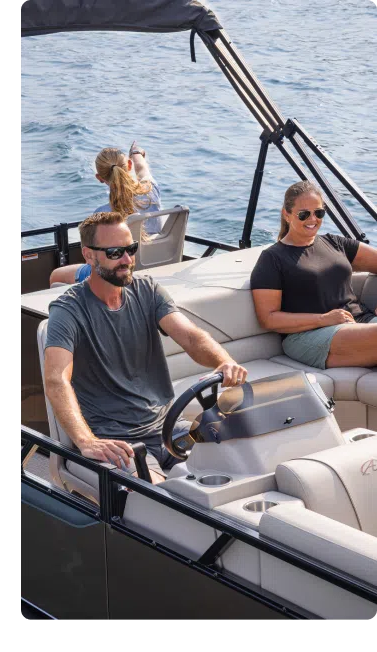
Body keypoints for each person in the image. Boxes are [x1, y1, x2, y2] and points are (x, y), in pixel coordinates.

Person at [44, 211, 247, 482]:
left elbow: (190, 337)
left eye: (131, 249)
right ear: (89, 255)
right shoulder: (67, 311)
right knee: (160, 501)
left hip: (170, 428)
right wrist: (86, 441)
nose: (128, 260)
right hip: (121, 442)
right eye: (116, 252)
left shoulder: (148, 290)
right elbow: (56, 379)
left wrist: (223, 362)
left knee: (245, 458)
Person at [250, 180, 377, 369]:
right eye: (303, 214)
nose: (312, 219)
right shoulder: (272, 259)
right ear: (287, 214)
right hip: (311, 333)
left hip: (361, 321)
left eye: (319, 213)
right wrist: (323, 318)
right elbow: (268, 318)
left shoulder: (335, 243)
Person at [49, 142, 162, 286]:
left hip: (117, 275)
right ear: (128, 165)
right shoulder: (151, 192)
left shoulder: (101, 215)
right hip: (158, 265)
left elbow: (93, 261)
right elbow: (142, 168)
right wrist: (136, 153)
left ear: (100, 178)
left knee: (56, 276)